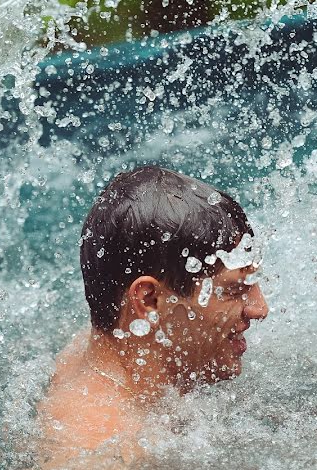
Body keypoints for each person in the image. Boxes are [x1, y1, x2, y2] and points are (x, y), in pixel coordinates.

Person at [37, 165, 268, 466]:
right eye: (235, 290)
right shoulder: (104, 451)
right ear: (149, 300)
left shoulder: (95, 355)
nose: (260, 309)